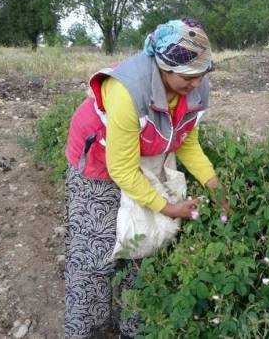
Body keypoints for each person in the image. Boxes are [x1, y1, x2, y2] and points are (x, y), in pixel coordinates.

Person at [63, 18, 228, 338]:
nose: (196, 84)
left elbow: (187, 140)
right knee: (97, 255)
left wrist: (216, 186)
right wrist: (167, 207)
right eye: (188, 77)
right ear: (163, 67)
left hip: (144, 158)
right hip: (99, 162)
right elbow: (121, 169)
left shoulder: (194, 84)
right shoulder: (127, 90)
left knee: (140, 249)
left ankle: (131, 330)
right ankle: (88, 329)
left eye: (201, 75)